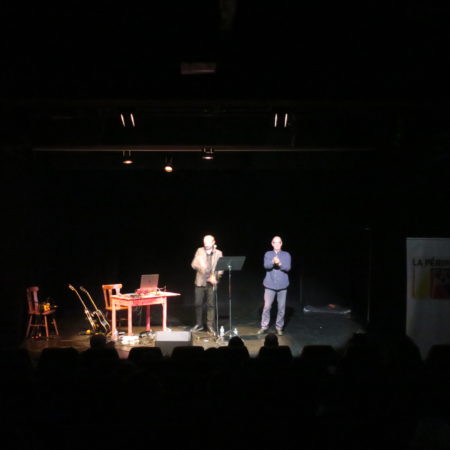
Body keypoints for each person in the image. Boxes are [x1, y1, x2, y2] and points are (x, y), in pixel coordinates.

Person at [257, 236, 291, 336]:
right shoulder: (268, 254)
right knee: (267, 307)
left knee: (281, 308)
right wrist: (272, 262)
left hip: (282, 285)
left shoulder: (286, 254)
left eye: (278, 242)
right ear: (272, 244)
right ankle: (264, 326)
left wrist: (279, 263)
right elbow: (266, 266)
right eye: (275, 242)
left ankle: (279, 327)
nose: (277, 244)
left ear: (281, 243)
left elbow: (288, 268)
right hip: (269, 285)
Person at [191, 234, 223, 333]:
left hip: (211, 282)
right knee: (198, 303)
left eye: (208, 242)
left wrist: (216, 277)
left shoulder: (218, 253)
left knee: (211, 305)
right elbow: (193, 264)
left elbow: (221, 268)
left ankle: (210, 325)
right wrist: (202, 268)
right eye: (204, 242)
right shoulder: (199, 251)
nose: (206, 244)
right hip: (200, 281)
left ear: (213, 242)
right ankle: (199, 324)